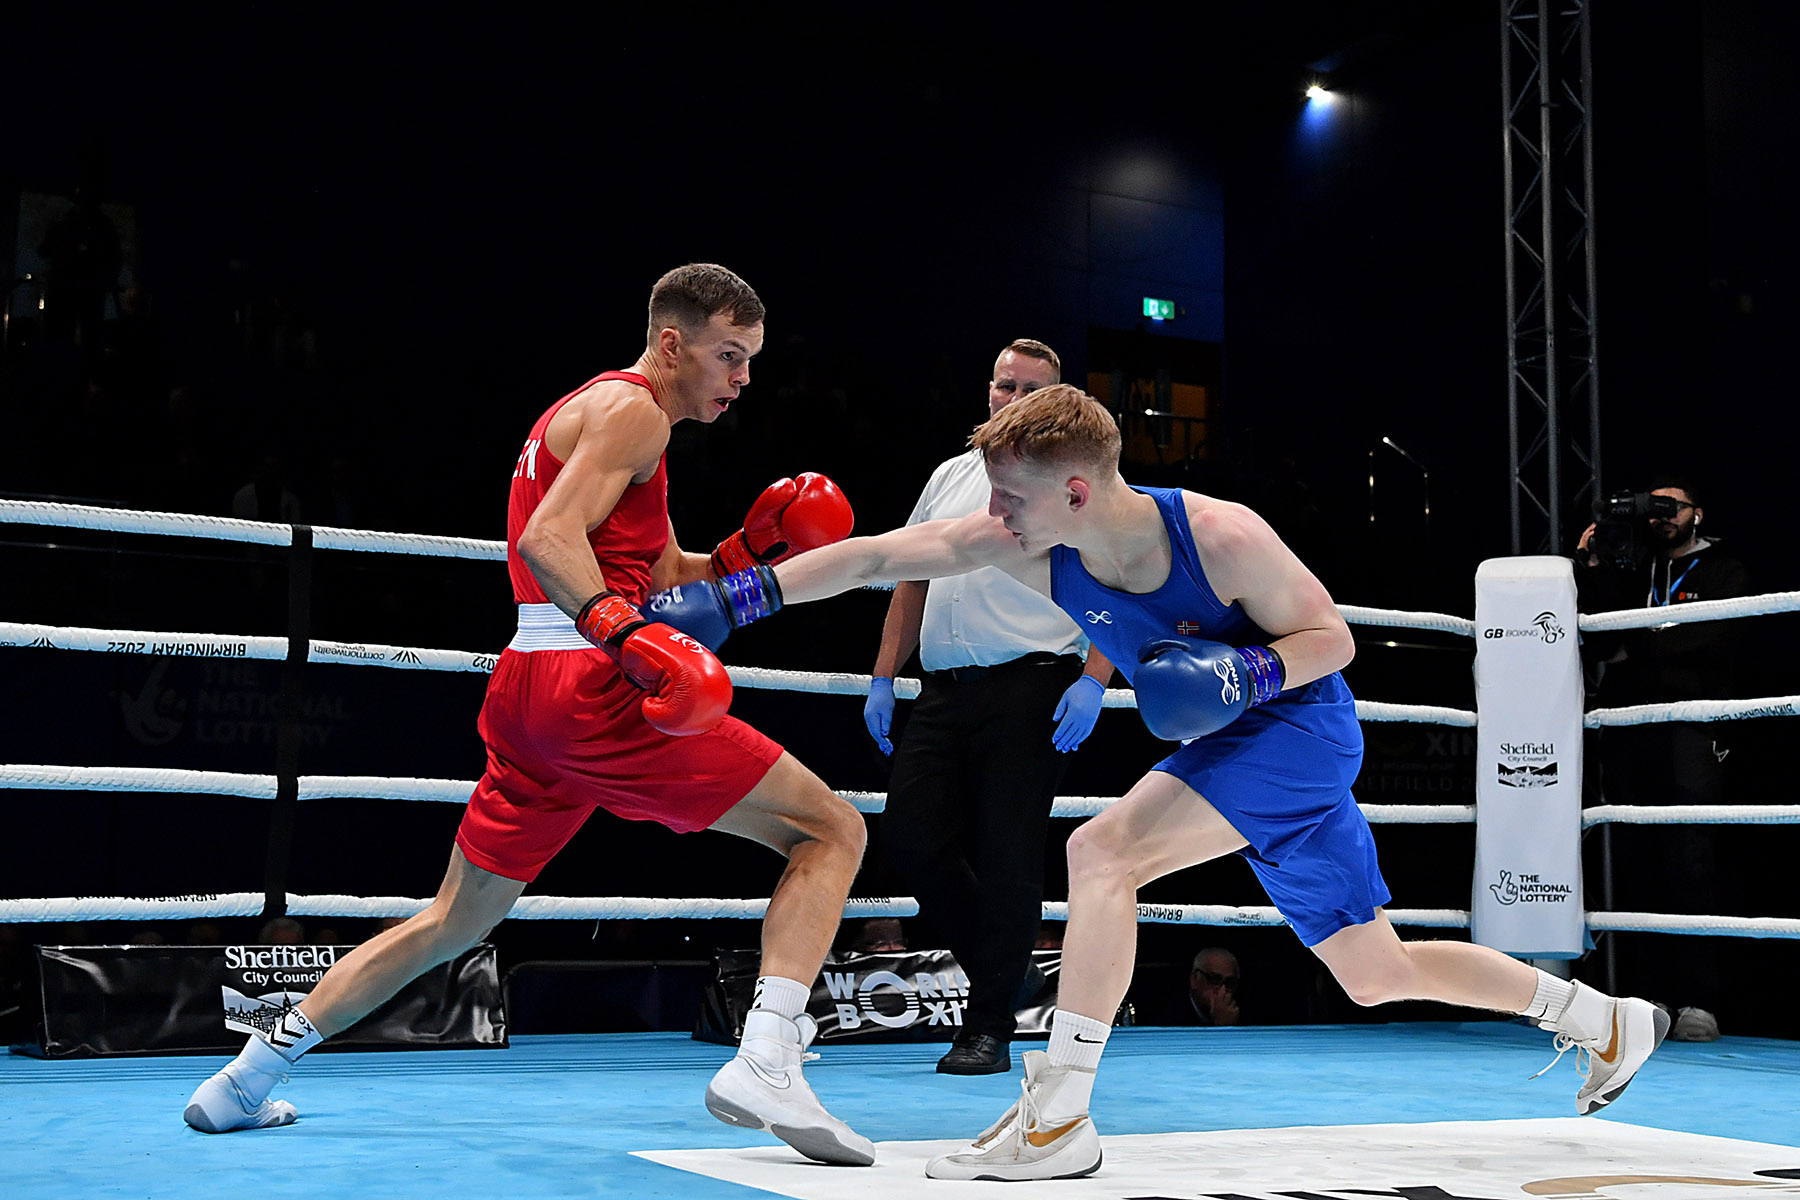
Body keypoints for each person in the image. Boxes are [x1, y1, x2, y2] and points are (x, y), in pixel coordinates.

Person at [647, 384, 1669, 1182]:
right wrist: (748, 595)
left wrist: (1246, 669)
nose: (994, 511)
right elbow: (878, 554)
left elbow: (1333, 636)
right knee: (1373, 969)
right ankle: (1600, 1019)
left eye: (1010, 492)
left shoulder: (1220, 535)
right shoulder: (1030, 548)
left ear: (1076, 490)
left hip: (1297, 733)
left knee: (1103, 851)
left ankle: (1060, 1114)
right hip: (1249, 758)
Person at [182, 263, 878, 1168]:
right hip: (589, 686)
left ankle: (242, 1081)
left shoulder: (613, 418)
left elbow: (661, 576)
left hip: (528, 690)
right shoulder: (630, 412)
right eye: (729, 355)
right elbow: (544, 540)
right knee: (831, 829)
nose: (744, 378)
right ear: (673, 343)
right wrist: (624, 639)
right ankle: (769, 1057)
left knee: (453, 922)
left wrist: (751, 548)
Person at [864, 339, 1115, 1076]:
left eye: (1031, 389)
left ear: (1056, 402)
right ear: (989, 390)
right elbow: (907, 572)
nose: (1014, 398)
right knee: (911, 838)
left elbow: (1119, 585)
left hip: (1033, 685)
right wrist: (884, 675)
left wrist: (1096, 678)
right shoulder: (949, 476)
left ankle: (989, 1030)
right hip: (942, 691)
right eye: (1006, 384)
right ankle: (1005, 983)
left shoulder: (1077, 483)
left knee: (1009, 856)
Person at [1575, 476, 1751, 1043]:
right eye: (1653, 508)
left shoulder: (1726, 570)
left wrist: (1643, 644)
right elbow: (1600, 639)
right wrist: (1592, 565)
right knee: (1636, 861)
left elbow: (1711, 640)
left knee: (1691, 863)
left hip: (1691, 731)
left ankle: (1699, 1000)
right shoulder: (1637, 570)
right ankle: (1647, 999)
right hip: (1631, 730)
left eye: (1671, 507)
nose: (1660, 516)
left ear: (1698, 513)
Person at [1185, 946, 1241, 1027]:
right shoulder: (1170, 1018)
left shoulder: (1244, 1014)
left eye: (1230, 983)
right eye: (1214, 980)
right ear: (1194, 980)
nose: (1223, 990)